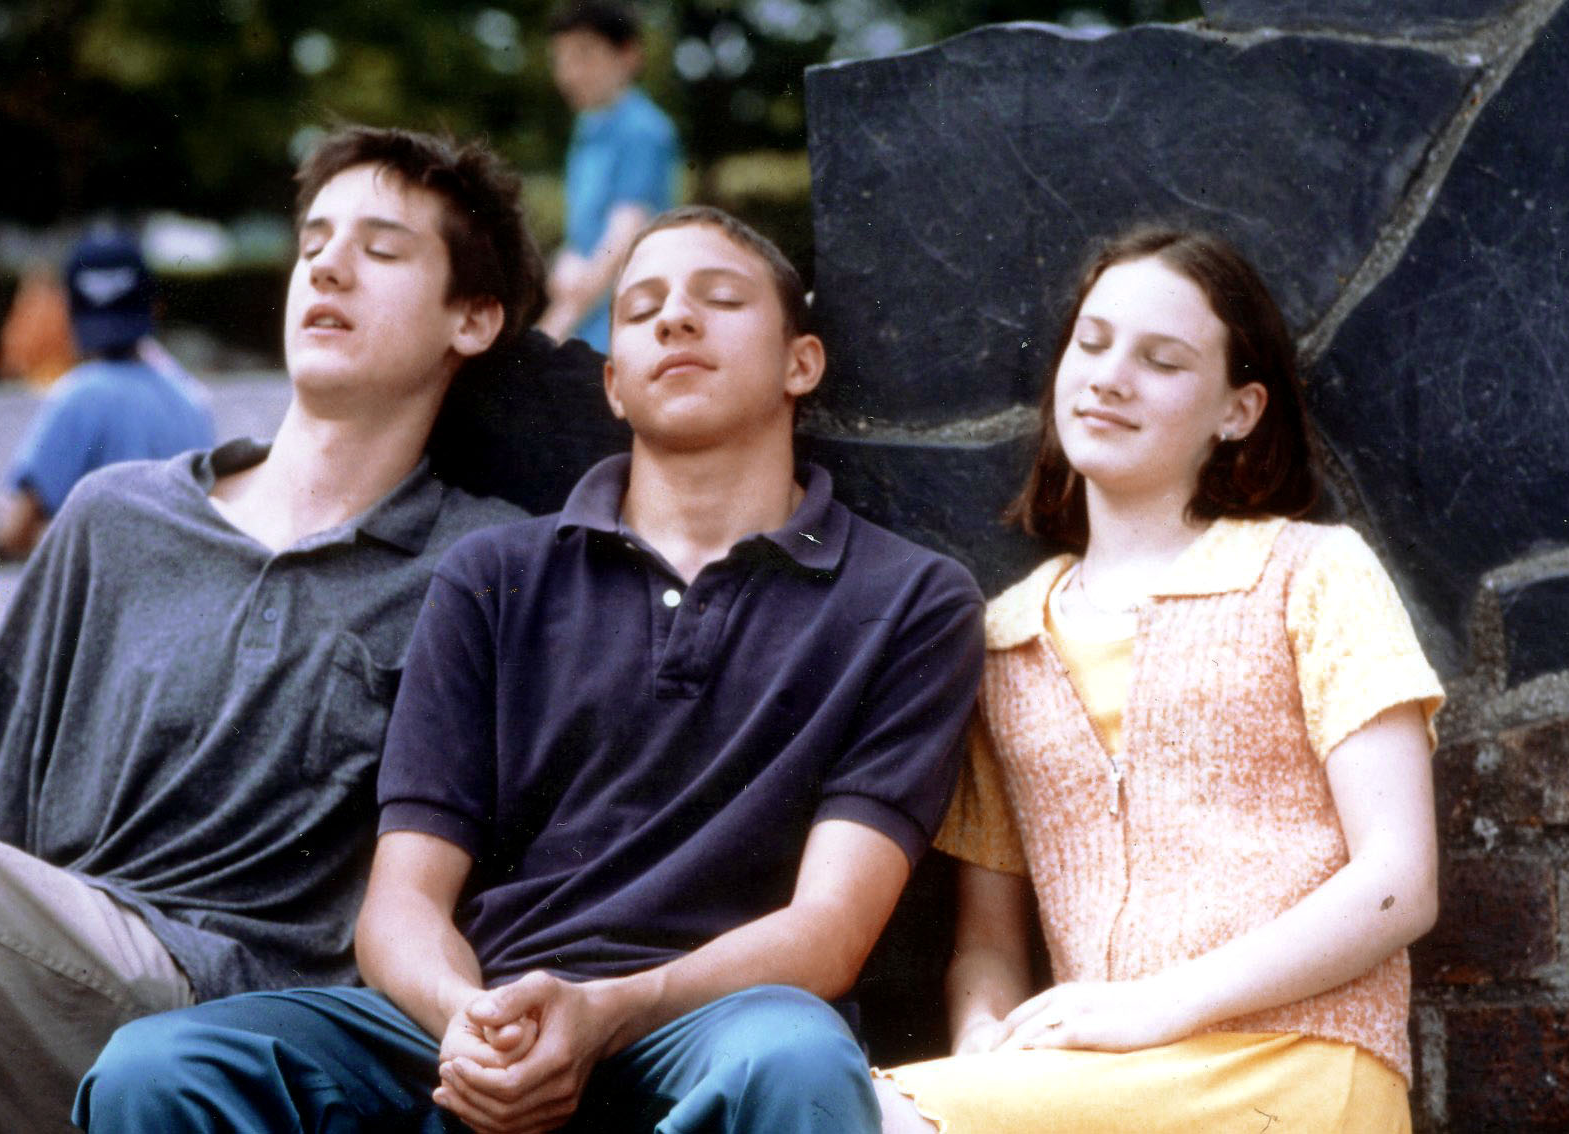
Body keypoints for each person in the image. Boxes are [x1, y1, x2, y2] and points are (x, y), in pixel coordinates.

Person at [75, 205, 987, 1134]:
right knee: (159, 1070)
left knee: (797, 1058)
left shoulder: (908, 599)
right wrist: (469, 1025)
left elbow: (828, 932)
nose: (676, 319)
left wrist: (610, 1012)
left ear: (802, 363)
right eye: (642, 310)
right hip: (479, 1021)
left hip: (716, 1031)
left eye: (719, 299)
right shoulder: (493, 575)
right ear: (614, 385)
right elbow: (401, 905)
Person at [0, 124, 544, 1133]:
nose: (328, 266)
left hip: (223, 1020)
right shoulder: (116, 515)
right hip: (19, 985)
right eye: (314, 243)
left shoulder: (487, 563)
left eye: (381, 250)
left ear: (471, 318)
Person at [875, 226, 1444, 1133]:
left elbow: (1399, 882)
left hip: (1301, 1065)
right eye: (1092, 343)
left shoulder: (1312, 575)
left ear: (1239, 411)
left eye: (1162, 360)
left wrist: (1154, 1008)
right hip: (1102, 1088)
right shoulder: (1007, 641)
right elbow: (988, 942)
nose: (1109, 378)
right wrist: (984, 1040)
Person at [0, 230, 215, 557]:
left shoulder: (80, 395)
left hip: (107, 584)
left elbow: (11, 531)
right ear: (155, 307)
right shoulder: (190, 399)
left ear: (69, 310)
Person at [536, 0, 680, 352]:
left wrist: (554, 328)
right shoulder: (587, 127)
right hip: (583, 321)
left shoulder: (643, 130)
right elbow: (584, 230)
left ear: (628, 55)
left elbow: (622, 241)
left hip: (621, 329)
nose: (569, 73)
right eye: (560, 59)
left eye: (584, 55)